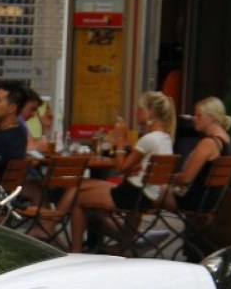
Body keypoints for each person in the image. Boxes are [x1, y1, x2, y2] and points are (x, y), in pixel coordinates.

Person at [55, 91, 175, 253]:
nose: (135, 113)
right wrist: (131, 162)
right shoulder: (165, 139)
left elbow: (120, 168)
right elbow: (136, 165)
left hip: (132, 194)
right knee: (81, 185)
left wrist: (119, 139)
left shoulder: (149, 139)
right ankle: (122, 244)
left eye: (139, 109)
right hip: (147, 195)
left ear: (151, 112)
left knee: (78, 198)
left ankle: (74, 250)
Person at [167, 96, 231, 212]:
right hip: (211, 200)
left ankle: (131, 229)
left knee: (149, 193)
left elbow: (186, 178)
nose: (194, 118)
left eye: (199, 115)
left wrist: (166, 177)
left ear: (212, 118)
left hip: (195, 200)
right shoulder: (226, 140)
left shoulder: (208, 143)